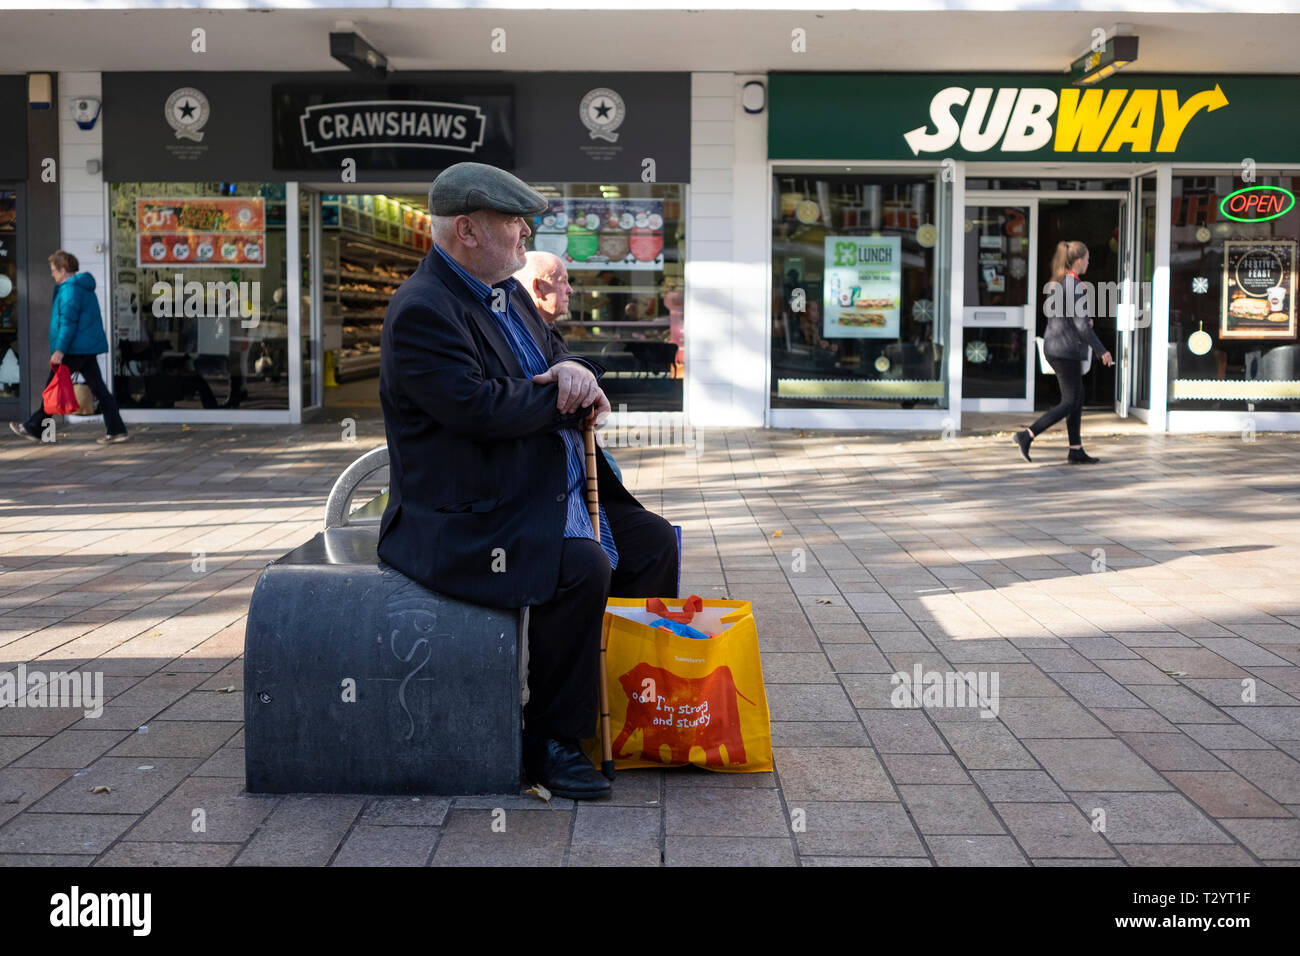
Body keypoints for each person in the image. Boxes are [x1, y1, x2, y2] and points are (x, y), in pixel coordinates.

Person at [377, 162, 678, 800]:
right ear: (467, 230)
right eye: (514, 222)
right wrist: (564, 394)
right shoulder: (423, 311)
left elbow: (557, 359)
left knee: (652, 542)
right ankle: (551, 738)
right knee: (582, 566)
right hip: (472, 514)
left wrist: (576, 373)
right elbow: (480, 410)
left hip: (543, 485)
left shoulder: (507, 291)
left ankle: (628, 710)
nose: (526, 233)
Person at [515, 249, 625, 482]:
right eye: (562, 281)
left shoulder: (546, 330)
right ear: (538, 288)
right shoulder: (522, 337)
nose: (570, 289)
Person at [11, 251, 128, 444]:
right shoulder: (81, 287)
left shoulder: (70, 290)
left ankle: (34, 427)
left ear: (63, 270)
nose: (52, 274)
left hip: (74, 349)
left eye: (53, 271)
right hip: (84, 348)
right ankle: (117, 429)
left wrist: (59, 350)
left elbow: (68, 323)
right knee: (98, 389)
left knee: (52, 387)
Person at [1014, 240, 1113, 465]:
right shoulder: (1073, 285)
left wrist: (1085, 317)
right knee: (1070, 401)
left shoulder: (1062, 282)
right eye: (1087, 258)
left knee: (1077, 399)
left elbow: (1068, 317)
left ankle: (1075, 450)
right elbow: (1080, 325)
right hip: (1065, 350)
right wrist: (1101, 350)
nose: (1089, 262)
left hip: (1059, 347)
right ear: (1079, 261)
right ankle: (1027, 435)